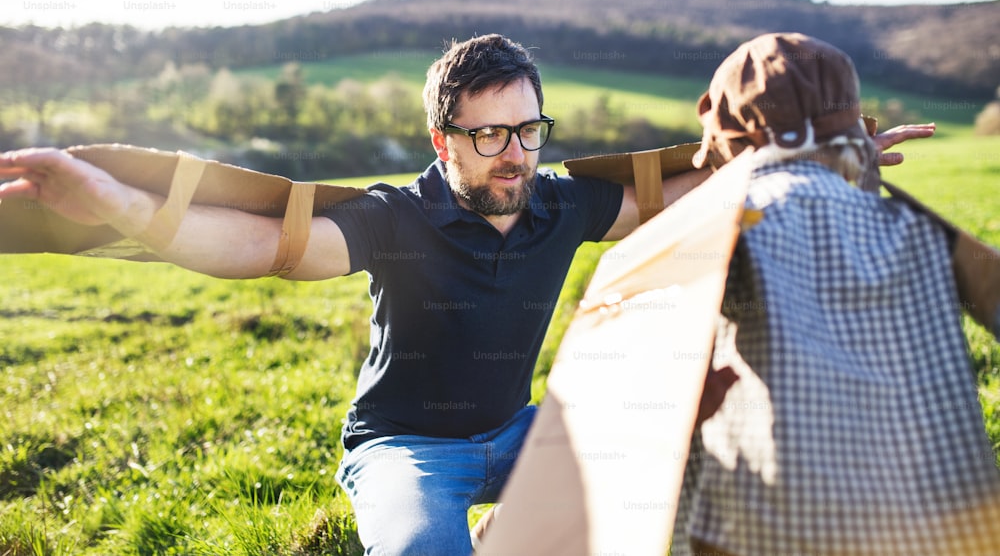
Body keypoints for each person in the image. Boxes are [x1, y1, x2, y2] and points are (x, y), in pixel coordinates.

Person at [0, 33, 932, 555]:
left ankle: (520, 527)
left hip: (523, 432)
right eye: (491, 136)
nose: (517, 152)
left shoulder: (560, 199)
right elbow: (267, 249)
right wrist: (121, 203)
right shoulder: (396, 215)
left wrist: (824, 157)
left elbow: (683, 196)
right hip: (407, 449)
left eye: (528, 128)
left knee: (688, 470)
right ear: (444, 142)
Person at [672, 32, 1000, 556]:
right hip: (941, 531)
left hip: (760, 530)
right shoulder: (919, 229)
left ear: (726, 142)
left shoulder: (717, 229)